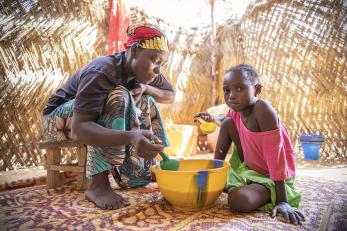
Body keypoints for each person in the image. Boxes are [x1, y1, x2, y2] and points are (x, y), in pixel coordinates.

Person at [42, 24, 175, 210]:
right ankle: (97, 185)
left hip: (80, 122)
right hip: (57, 123)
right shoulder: (104, 70)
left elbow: (170, 95)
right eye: (155, 60)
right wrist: (130, 137)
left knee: (145, 99)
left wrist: (146, 88)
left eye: (162, 64)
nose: (158, 69)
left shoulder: (143, 71)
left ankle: (138, 171)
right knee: (119, 95)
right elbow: (80, 129)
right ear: (135, 52)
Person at [195, 64, 305, 225]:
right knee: (227, 123)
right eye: (227, 90)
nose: (231, 96)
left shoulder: (263, 110)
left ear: (257, 89)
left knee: (238, 200)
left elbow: (276, 155)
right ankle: (214, 173)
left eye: (240, 88)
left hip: (270, 176)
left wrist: (282, 200)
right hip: (249, 168)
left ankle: (264, 192)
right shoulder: (236, 110)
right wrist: (213, 118)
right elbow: (226, 121)